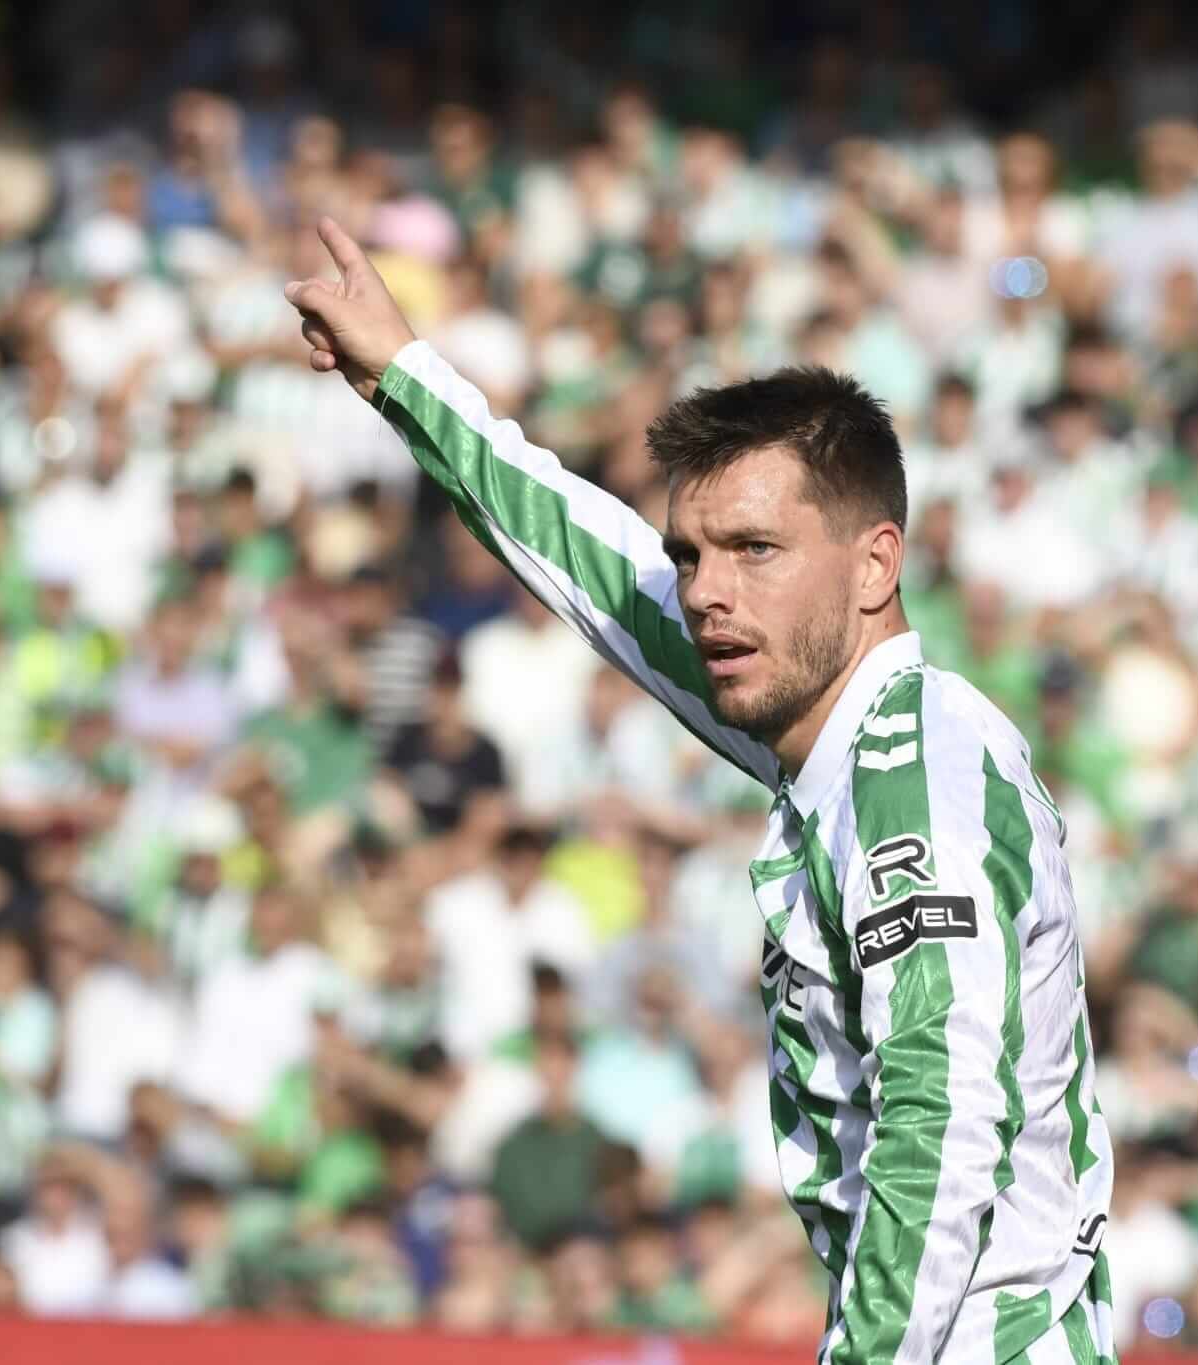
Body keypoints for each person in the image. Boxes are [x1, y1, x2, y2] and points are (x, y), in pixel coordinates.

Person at [284, 217, 1115, 1364]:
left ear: (875, 564)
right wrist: (401, 377)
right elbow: (597, 572)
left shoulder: (909, 772)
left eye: (753, 550)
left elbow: (941, 1117)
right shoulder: (824, 728)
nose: (707, 593)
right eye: (692, 554)